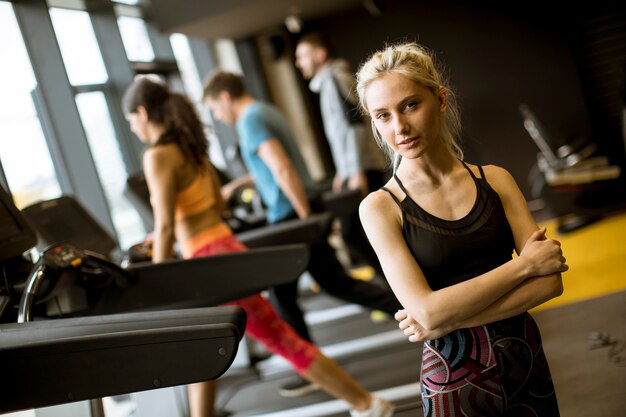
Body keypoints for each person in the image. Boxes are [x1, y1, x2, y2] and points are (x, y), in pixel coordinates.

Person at [121, 77, 394, 417]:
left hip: (206, 261)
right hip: (222, 249)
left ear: (142, 113)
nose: (132, 128)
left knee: (281, 338)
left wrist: (159, 285)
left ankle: (367, 404)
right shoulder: (190, 148)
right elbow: (212, 210)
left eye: (131, 120)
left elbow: (164, 225)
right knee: (200, 353)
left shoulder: (158, 154)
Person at [355, 42, 569, 416]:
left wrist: (444, 320)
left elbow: (551, 282)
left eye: (409, 105)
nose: (400, 127)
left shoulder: (497, 181)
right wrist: (523, 267)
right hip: (452, 378)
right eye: (383, 116)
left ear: (439, 99)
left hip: (526, 360)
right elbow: (428, 312)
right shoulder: (380, 208)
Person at [202, 70, 402, 397]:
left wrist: (306, 218)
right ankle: (403, 305)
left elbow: (282, 167)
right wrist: (238, 186)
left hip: (290, 215)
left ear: (225, 97)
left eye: (214, 108)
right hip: (297, 208)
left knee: (285, 296)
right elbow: (273, 167)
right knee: (332, 282)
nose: (218, 116)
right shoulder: (265, 111)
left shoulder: (249, 121)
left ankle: (309, 365)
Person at [295, 32, 388, 273]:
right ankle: (396, 294)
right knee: (358, 235)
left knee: (360, 234)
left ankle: (397, 294)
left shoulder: (337, 78)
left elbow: (355, 126)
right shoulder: (327, 84)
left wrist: (355, 171)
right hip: (355, 170)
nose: (299, 63)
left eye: (303, 56)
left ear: (320, 54)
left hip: (363, 169)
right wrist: (342, 172)